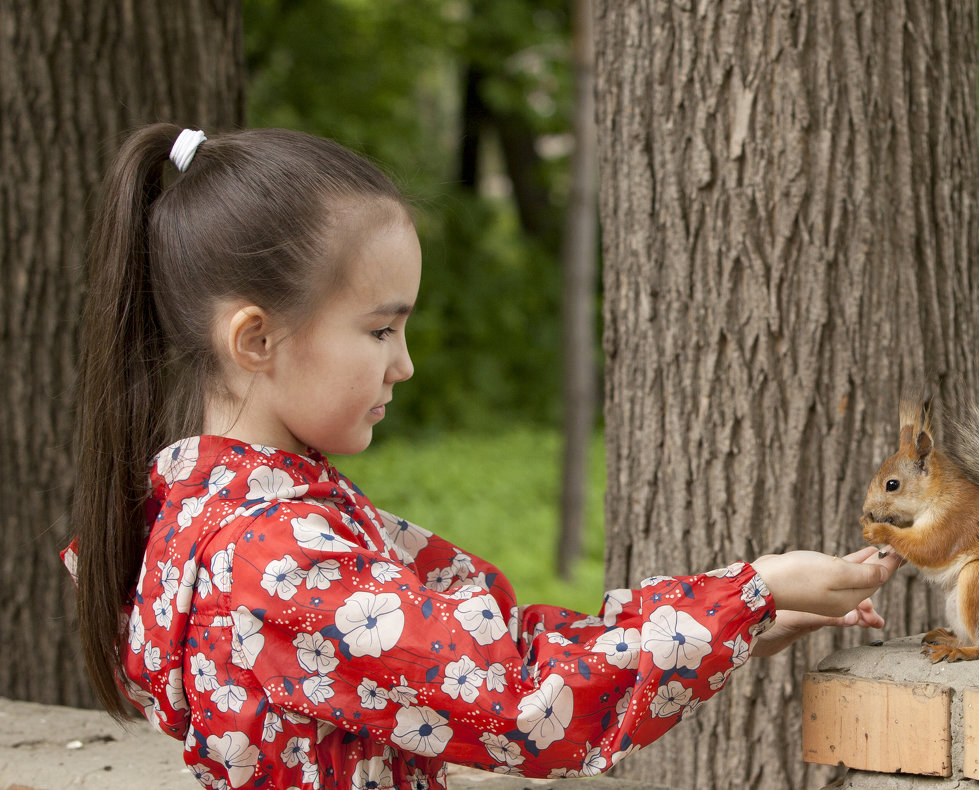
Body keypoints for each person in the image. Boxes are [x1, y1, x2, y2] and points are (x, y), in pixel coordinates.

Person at [66, 124, 902, 790]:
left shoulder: (201, 519)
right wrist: (747, 592)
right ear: (255, 338)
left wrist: (737, 621)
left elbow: (482, 648)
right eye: (381, 330)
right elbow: (519, 700)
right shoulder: (278, 557)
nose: (405, 363)